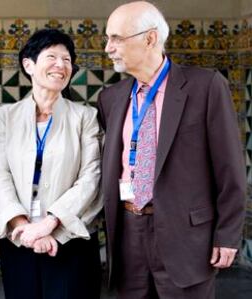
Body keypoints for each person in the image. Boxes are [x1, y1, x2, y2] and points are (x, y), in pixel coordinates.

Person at [97, 2, 246, 298]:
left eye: (116, 38)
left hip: (188, 239)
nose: (108, 48)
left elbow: (230, 168)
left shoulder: (205, 86)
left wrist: (227, 235)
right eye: (107, 39)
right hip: (129, 234)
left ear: (149, 38)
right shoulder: (110, 98)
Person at [0, 28, 103, 299]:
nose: (61, 65)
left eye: (67, 59)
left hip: (70, 240)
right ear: (29, 64)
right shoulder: (5, 115)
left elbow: (91, 178)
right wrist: (23, 226)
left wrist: (50, 225)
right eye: (52, 56)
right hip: (20, 239)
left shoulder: (85, 116)